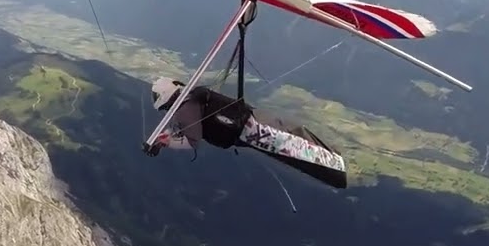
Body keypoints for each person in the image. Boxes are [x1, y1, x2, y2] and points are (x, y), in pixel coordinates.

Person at [148, 77, 348, 189]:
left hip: (253, 131)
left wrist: (169, 143)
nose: (167, 112)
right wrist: (165, 138)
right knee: (292, 134)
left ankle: (335, 167)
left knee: (293, 147)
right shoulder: (189, 99)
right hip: (250, 121)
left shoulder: (185, 108)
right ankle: (334, 161)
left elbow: (192, 142)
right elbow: (183, 128)